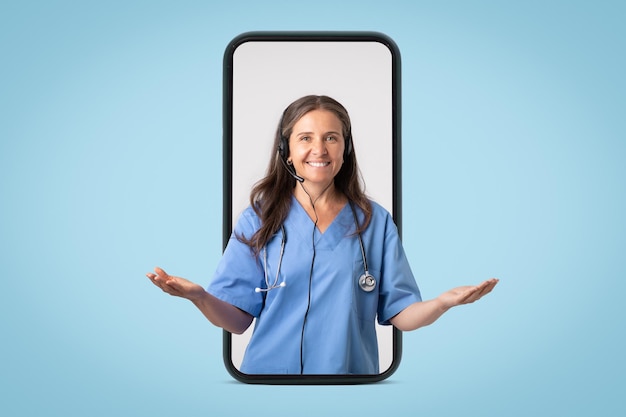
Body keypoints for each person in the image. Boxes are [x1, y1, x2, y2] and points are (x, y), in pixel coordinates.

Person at [147, 95, 498, 375]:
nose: (320, 149)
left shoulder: (373, 222)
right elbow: (237, 320)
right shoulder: (258, 219)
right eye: (305, 138)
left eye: (332, 137)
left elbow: (402, 315)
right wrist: (199, 298)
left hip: (348, 386)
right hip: (268, 385)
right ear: (286, 151)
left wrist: (443, 303)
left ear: (345, 149)